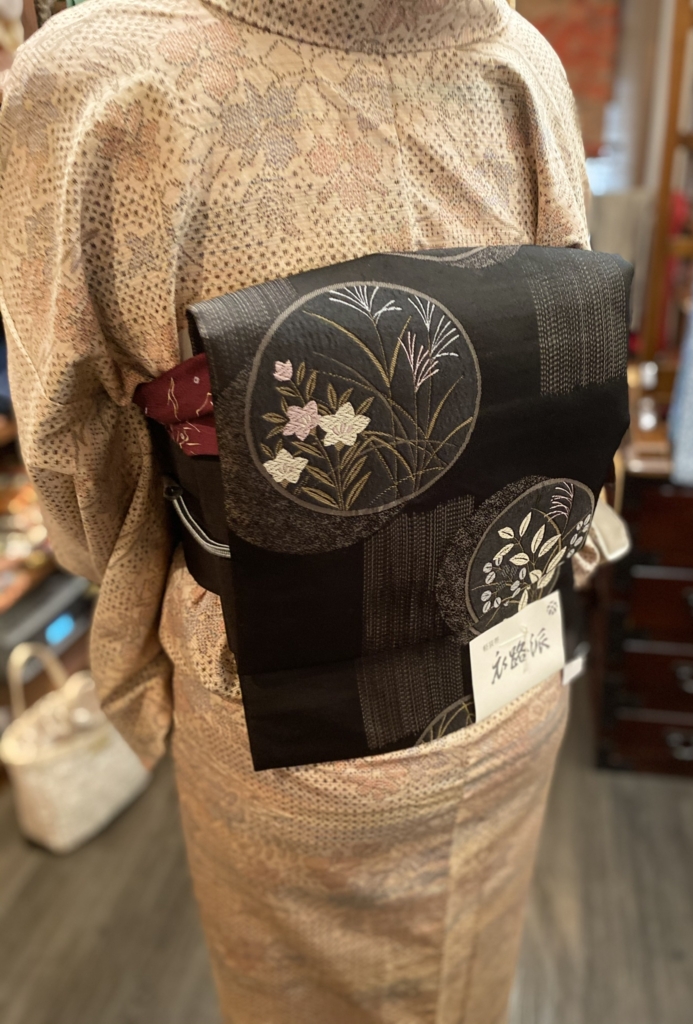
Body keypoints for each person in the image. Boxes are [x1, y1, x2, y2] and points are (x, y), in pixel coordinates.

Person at [0, 1, 591, 1020]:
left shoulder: (106, 76)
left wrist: (143, 582)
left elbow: (70, 455)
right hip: (511, 662)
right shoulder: (525, 63)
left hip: (281, 689)